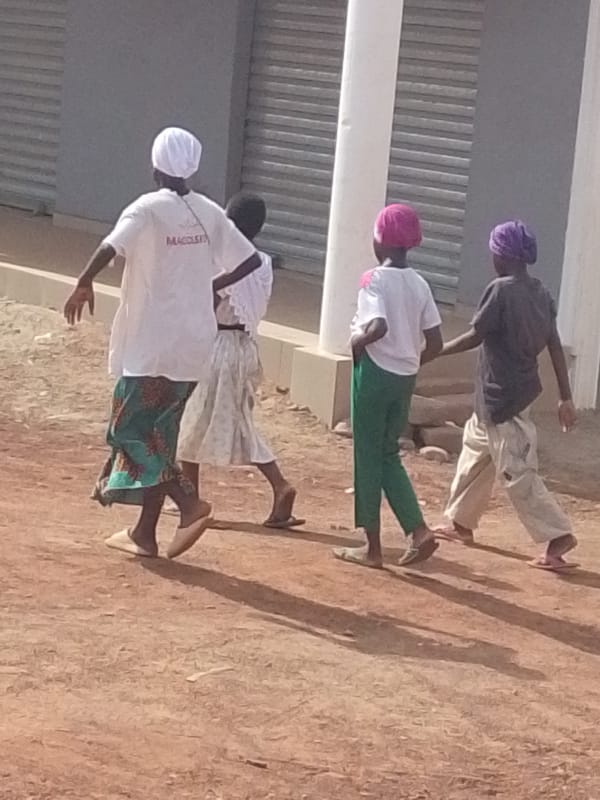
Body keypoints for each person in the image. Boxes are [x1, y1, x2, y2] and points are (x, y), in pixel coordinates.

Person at [64, 126, 261, 560]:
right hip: (193, 344)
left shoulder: (147, 209)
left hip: (151, 342)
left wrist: (83, 281)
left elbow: (110, 245)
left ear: (155, 165)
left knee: (128, 429)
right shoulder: (209, 212)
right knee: (160, 436)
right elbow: (249, 258)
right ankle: (145, 534)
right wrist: (209, 285)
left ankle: (190, 505)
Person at [434, 220, 578, 572]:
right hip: (503, 396)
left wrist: (435, 352)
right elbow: (554, 344)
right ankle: (460, 523)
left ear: (501, 255)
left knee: (517, 471)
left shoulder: (499, 290)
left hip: (504, 399)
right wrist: (565, 396)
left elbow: (475, 336)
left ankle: (557, 535)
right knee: (475, 456)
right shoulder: (540, 293)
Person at [173, 191, 303, 528]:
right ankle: (197, 496)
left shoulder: (221, 261)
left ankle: (273, 485)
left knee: (193, 421)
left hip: (216, 347)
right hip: (245, 347)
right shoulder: (264, 262)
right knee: (216, 421)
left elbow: (204, 299)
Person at [334, 203, 443, 569]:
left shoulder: (373, 279)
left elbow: (378, 325)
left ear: (379, 240)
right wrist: (411, 362)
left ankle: (371, 546)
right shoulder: (420, 283)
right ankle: (418, 530)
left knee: (366, 455)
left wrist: (357, 343)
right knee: (387, 454)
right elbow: (437, 342)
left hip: (374, 372)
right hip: (404, 377)